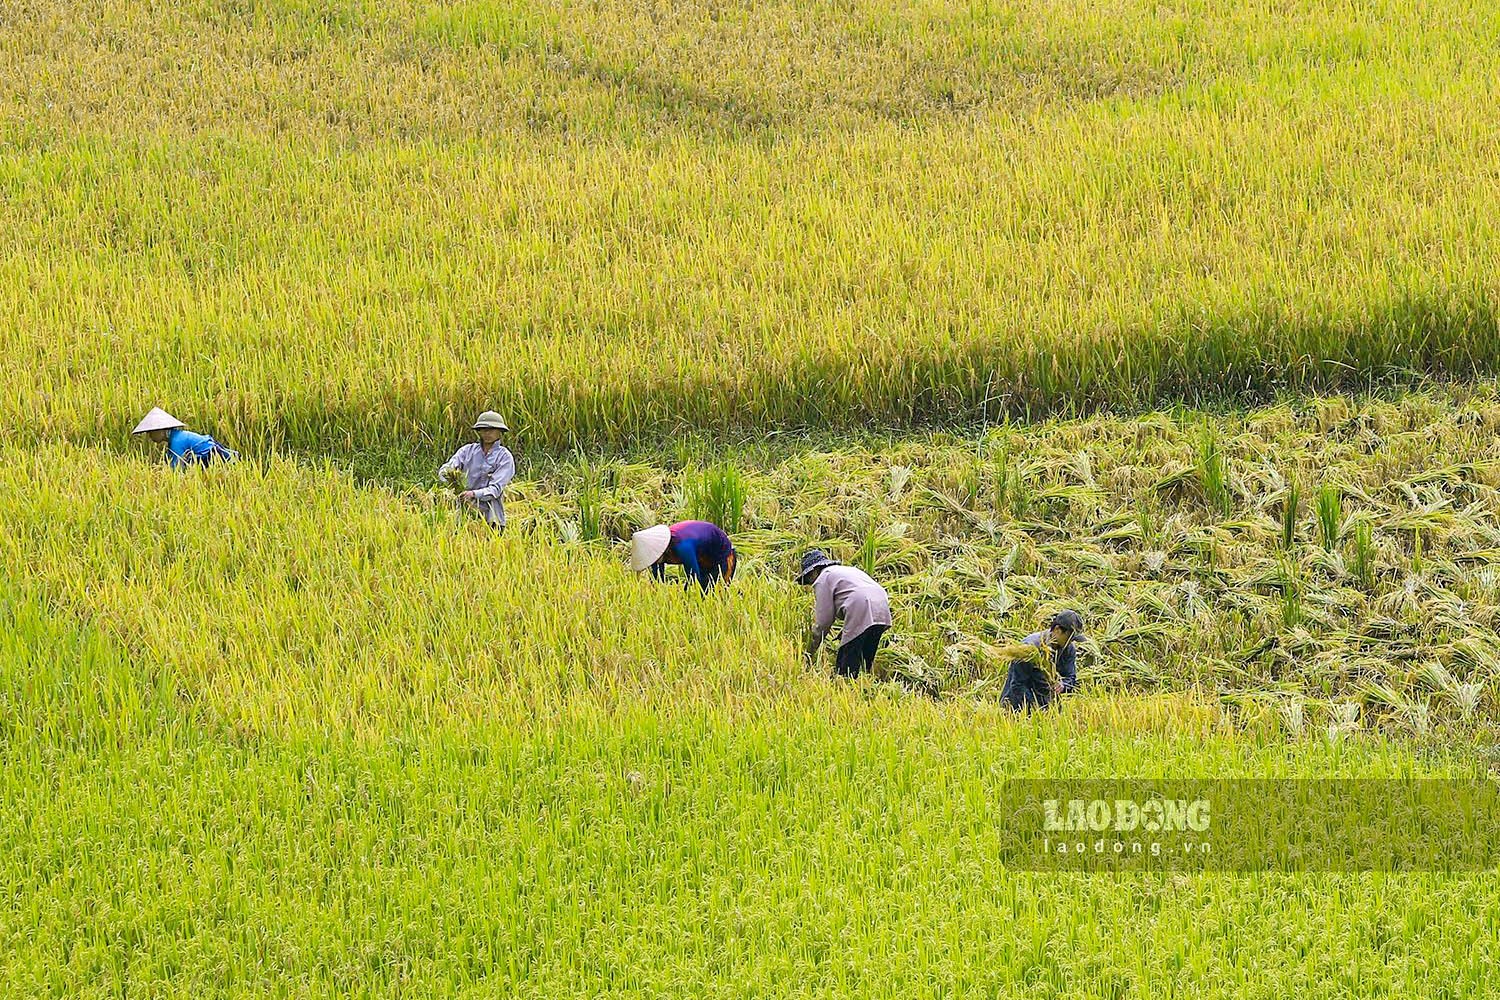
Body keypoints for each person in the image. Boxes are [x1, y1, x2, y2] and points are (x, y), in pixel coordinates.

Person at [797, 549, 892, 679]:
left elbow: (824, 620)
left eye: (808, 577)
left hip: (861, 605)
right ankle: (864, 689)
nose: (810, 582)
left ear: (814, 570)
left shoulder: (823, 578)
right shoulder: (846, 570)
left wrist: (811, 648)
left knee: (847, 662)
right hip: (881, 605)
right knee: (864, 658)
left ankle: (845, 687)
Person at [438, 411, 516, 530]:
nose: (487, 433)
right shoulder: (467, 451)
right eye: (484, 429)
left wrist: (473, 494)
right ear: (479, 431)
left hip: (492, 517)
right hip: (465, 516)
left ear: (500, 432)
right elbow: (446, 469)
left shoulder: (504, 457)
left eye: (492, 429)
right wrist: (450, 476)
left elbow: (495, 489)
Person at [1001, 610, 1084, 711]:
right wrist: (1036, 709)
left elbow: (1070, 677)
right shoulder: (1029, 649)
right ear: (1057, 629)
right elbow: (1018, 685)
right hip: (1017, 706)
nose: (1071, 642)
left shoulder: (1068, 649)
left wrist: (1063, 685)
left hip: (1047, 704)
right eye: (1069, 637)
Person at [631, 521, 737, 591]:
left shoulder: (683, 547)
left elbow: (694, 580)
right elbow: (657, 579)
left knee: (712, 593)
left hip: (721, 556)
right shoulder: (656, 550)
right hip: (700, 554)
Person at [131, 407, 238, 468]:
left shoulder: (177, 442)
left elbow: (176, 470)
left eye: (151, 432)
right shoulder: (176, 437)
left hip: (213, 455)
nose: (150, 436)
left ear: (161, 430)